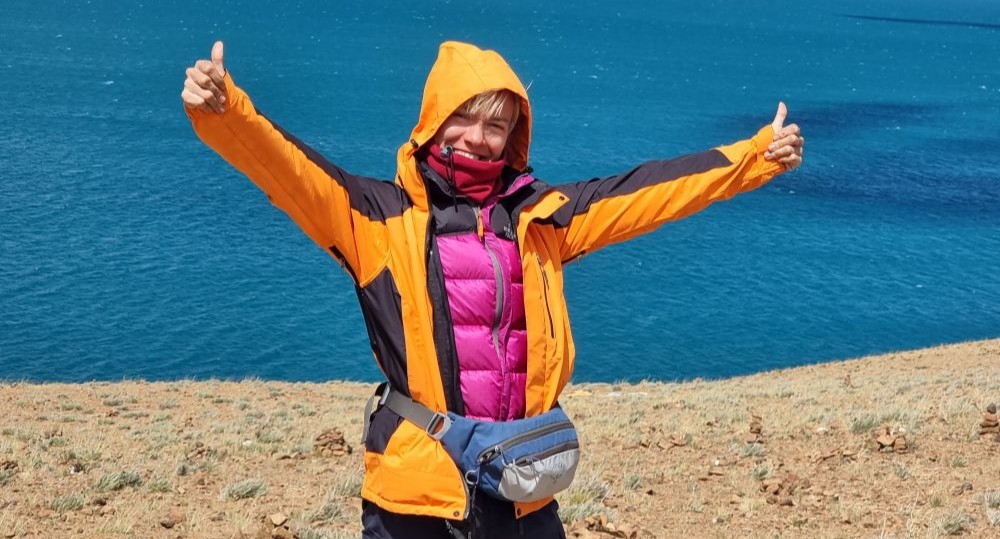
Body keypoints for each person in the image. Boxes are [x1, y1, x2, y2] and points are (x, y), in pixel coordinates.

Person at [182, 40, 804, 538]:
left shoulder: (542, 219)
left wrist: (757, 156)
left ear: (514, 137)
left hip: (521, 483)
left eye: (496, 125)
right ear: (433, 119)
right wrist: (224, 111)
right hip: (419, 497)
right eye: (464, 116)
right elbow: (286, 169)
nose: (477, 138)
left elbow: (650, 193)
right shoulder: (375, 219)